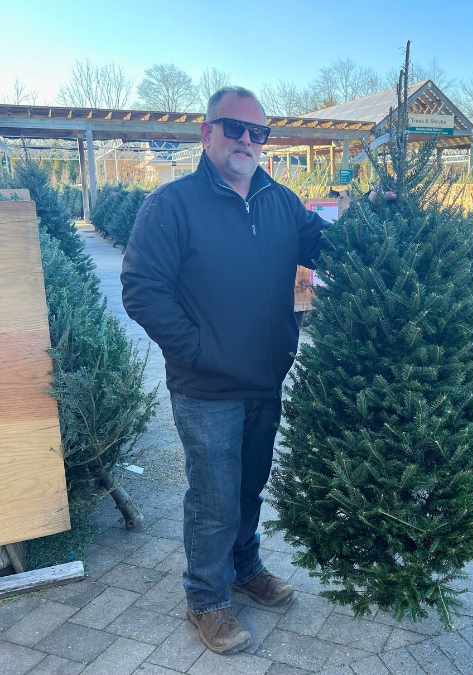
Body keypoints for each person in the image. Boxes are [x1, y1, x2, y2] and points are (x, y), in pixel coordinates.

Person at [121, 86, 333, 655]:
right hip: (207, 386)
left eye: (256, 132)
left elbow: (326, 248)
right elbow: (142, 292)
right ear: (206, 133)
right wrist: (198, 350)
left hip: (265, 378)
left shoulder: (281, 203)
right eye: (233, 128)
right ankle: (206, 600)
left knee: (249, 486)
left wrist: (384, 221)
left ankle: (245, 568)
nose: (245, 140)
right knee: (213, 497)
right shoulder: (172, 206)